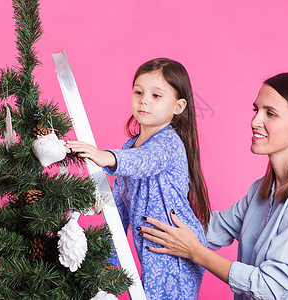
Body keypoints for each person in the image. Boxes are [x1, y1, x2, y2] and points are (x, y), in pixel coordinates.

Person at [139, 72, 288, 299]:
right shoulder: (262, 191)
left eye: (271, 114)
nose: (255, 121)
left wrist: (196, 253)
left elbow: (268, 286)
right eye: (256, 110)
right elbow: (206, 230)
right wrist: (144, 209)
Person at [66, 58, 211, 299]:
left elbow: (146, 160)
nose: (144, 100)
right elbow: (121, 203)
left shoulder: (169, 143)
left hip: (176, 246)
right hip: (153, 245)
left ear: (178, 106)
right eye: (139, 92)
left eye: (156, 95)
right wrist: (105, 257)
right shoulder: (131, 145)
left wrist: (108, 157)